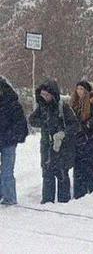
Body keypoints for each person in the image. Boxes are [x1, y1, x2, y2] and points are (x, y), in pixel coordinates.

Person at [29, 80, 78, 204]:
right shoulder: (41, 107)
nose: (44, 97)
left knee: (62, 173)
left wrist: (62, 133)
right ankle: (47, 200)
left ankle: (63, 201)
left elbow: (75, 125)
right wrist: (44, 123)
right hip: (46, 145)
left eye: (46, 95)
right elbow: (32, 120)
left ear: (53, 94)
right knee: (47, 173)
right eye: (42, 95)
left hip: (62, 146)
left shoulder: (63, 107)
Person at [70, 81, 93, 199]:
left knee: (88, 167)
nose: (79, 91)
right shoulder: (75, 104)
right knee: (78, 169)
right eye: (78, 89)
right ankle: (79, 194)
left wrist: (87, 126)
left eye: (82, 89)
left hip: (90, 140)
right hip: (77, 140)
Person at [0, 76, 29, 206]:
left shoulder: (11, 103)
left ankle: (9, 198)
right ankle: (6, 196)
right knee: (7, 172)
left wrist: (11, 136)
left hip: (8, 142)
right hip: (8, 140)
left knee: (7, 172)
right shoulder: (12, 102)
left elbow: (20, 124)